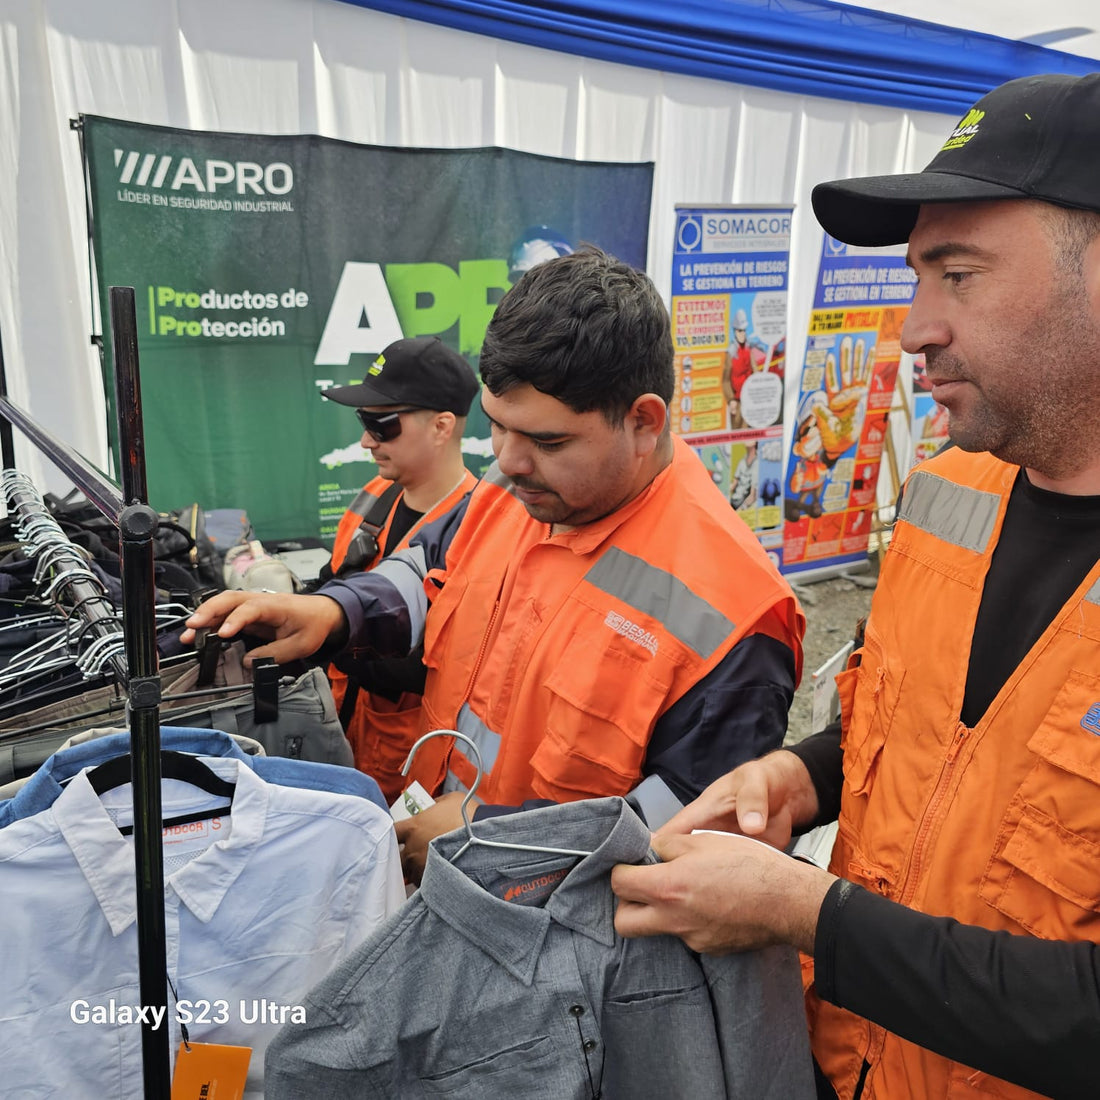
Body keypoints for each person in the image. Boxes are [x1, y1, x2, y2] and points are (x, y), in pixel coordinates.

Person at [611, 71, 1100, 1100]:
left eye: (954, 275)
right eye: (914, 277)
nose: (912, 325)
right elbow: (917, 719)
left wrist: (802, 913)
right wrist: (798, 776)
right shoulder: (948, 485)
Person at [183, 246, 805, 882]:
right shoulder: (522, 487)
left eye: (547, 440)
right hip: (440, 872)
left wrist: (491, 839)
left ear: (644, 422)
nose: (506, 460)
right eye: (498, 425)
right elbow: (428, 571)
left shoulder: (732, 615)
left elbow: (683, 846)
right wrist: (331, 611)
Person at [316, 335, 479, 801]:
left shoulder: (479, 530)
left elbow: (445, 667)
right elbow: (334, 579)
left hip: (413, 767)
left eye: (381, 424)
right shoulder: (373, 497)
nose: (366, 440)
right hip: (343, 741)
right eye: (363, 422)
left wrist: (329, 637)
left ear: (442, 427)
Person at [729, 439, 759, 510]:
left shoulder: (757, 463)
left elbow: (752, 496)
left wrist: (742, 508)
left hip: (744, 504)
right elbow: (733, 484)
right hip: (734, 499)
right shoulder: (742, 461)